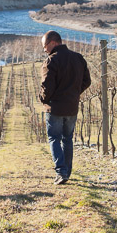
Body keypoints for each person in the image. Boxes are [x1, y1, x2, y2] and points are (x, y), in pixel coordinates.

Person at [39, 31, 91, 185]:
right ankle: (67, 171)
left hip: (55, 108)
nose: (44, 50)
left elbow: (46, 87)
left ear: (53, 42)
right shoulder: (78, 58)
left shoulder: (51, 61)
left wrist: (43, 99)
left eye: (45, 46)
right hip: (72, 107)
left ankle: (61, 171)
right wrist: (74, 94)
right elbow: (87, 81)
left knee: (54, 138)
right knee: (67, 139)